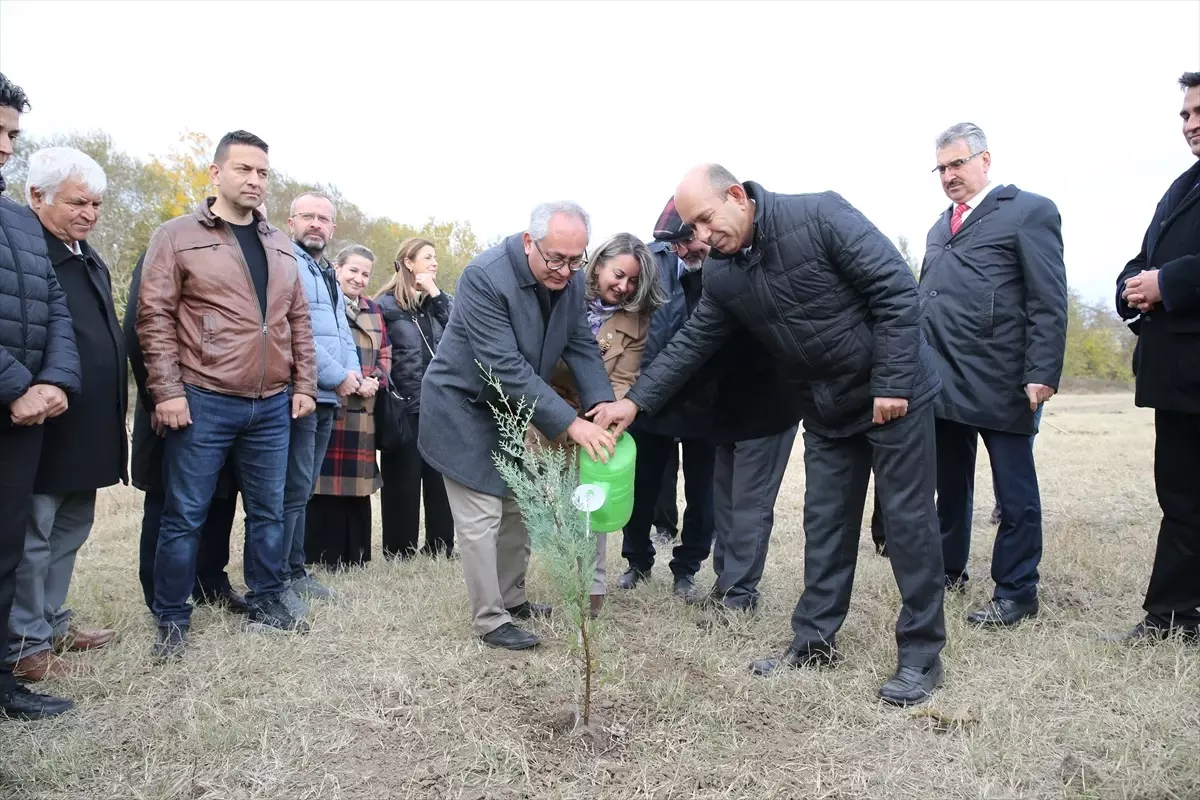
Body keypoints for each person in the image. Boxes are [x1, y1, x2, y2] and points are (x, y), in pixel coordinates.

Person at [593, 165, 947, 705]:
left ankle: (921, 654)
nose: (705, 238)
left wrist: (893, 381)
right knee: (824, 523)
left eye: (708, 220)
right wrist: (635, 402)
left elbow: (896, 290)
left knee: (907, 521)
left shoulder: (820, 214)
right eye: (694, 228)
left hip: (891, 397)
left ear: (737, 196)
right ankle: (814, 642)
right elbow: (694, 343)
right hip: (826, 410)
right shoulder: (723, 273)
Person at [136, 130, 318, 661]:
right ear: (216, 174)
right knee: (184, 514)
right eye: (244, 169)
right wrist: (167, 392)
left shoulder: (280, 243)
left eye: (262, 172)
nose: (255, 180)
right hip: (204, 397)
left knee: (268, 511)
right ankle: (171, 616)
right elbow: (154, 319)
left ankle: (267, 598)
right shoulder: (176, 236)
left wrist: (305, 384)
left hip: (273, 405)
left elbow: (298, 321)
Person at [419, 201, 617, 651]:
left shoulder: (570, 278)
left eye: (575, 260)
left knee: (516, 506)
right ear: (530, 241)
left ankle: (512, 598)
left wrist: (602, 403)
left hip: (512, 409)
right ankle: (490, 620)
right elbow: (503, 365)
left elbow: (580, 343)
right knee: (481, 514)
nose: (566, 271)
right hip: (462, 404)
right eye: (556, 259)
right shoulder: (484, 277)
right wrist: (570, 424)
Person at [918, 123, 1068, 626]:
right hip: (942, 382)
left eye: (957, 163)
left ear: (985, 160)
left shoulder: (1028, 211)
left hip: (1003, 380)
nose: (949, 176)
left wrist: (1041, 371)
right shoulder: (939, 227)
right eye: (941, 168)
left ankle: (1017, 591)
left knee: (1014, 491)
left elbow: (1048, 299)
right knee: (949, 488)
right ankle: (948, 571)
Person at [6, 147, 125, 682]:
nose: (90, 214)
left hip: (90, 421)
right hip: (44, 417)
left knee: (72, 526)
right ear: (37, 196)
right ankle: (25, 640)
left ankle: (51, 620)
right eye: (79, 202)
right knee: (36, 531)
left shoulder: (85, 253)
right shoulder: (25, 248)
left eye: (97, 204)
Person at [0, 72, 79, 720]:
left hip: (21, 421)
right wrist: (15, 386)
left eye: (11, 134)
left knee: (6, 550)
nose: (4, 146)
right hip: (10, 401)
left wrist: (53, 381)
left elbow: (56, 309)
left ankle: (5, 683)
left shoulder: (17, 224)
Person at [1111, 71, 1200, 643]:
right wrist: (1133, 287)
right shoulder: (1180, 187)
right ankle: (1175, 616)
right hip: (1180, 377)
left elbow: (1167, 271)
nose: (1191, 125)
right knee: (1183, 496)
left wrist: (1168, 282)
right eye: (1186, 115)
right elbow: (1145, 257)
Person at [538, 232, 664, 617]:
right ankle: (541, 579)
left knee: (592, 504)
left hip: (596, 419)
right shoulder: (559, 291)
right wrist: (558, 411)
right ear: (599, 263)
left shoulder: (637, 321)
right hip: (544, 412)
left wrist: (606, 414)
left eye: (632, 282)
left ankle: (592, 591)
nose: (624, 287)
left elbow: (625, 378)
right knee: (544, 503)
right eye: (619, 275)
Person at [126, 252, 245, 614]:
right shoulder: (173, 247)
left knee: (221, 498)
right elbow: (140, 327)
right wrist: (160, 397)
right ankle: (160, 594)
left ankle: (210, 581)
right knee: (169, 503)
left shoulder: (249, 260)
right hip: (175, 403)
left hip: (228, 404)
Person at [614, 199, 718, 603]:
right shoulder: (648, 261)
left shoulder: (721, 263)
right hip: (648, 397)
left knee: (702, 492)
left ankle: (687, 568)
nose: (682, 251)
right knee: (641, 488)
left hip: (704, 398)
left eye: (687, 241)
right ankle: (636, 561)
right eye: (674, 244)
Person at [279, 192, 361, 617]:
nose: (316, 224)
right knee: (289, 491)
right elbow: (299, 332)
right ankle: (277, 577)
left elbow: (341, 332)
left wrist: (353, 371)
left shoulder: (324, 270)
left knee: (303, 489)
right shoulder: (286, 261)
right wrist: (339, 375)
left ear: (333, 227)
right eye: (307, 216)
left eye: (324, 218)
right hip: (301, 392)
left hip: (327, 394)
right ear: (290, 220)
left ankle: (295, 569)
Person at [306, 245, 391, 569]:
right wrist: (349, 380)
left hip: (363, 410)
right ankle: (320, 555)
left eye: (365, 273)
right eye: (353, 270)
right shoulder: (324, 306)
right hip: (328, 402)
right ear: (337, 269)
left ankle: (355, 555)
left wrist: (377, 381)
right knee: (321, 483)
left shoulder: (373, 310)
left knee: (358, 487)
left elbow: (385, 353)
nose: (359, 278)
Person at [376, 238, 455, 558]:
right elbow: (376, 350)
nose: (435, 263)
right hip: (403, 403)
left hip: (439, 405)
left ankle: (441, 546)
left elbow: (462, 334)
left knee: (440, 481)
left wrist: (436, 293)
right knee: (402, 480)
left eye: (435, 258)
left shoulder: (438, 303)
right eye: (428, 258)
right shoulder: (384, 305)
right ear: (408, 262)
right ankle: (399, 549)